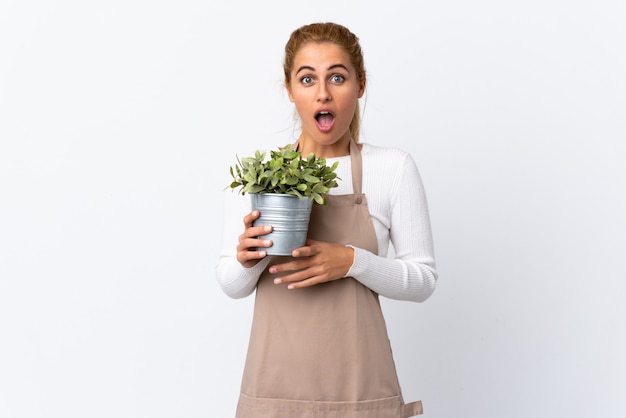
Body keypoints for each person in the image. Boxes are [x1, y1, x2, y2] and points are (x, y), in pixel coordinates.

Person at [215, 22, 437, 418]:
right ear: (289, 89)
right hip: (273, 394)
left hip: (360, 393)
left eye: (337, 77)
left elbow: (423, 281)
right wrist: (248, 261)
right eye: (307, 79)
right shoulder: (262, 175)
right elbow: (231, 285)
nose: (323, 92)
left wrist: (352, 261)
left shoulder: (392, 168)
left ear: (360, 85)